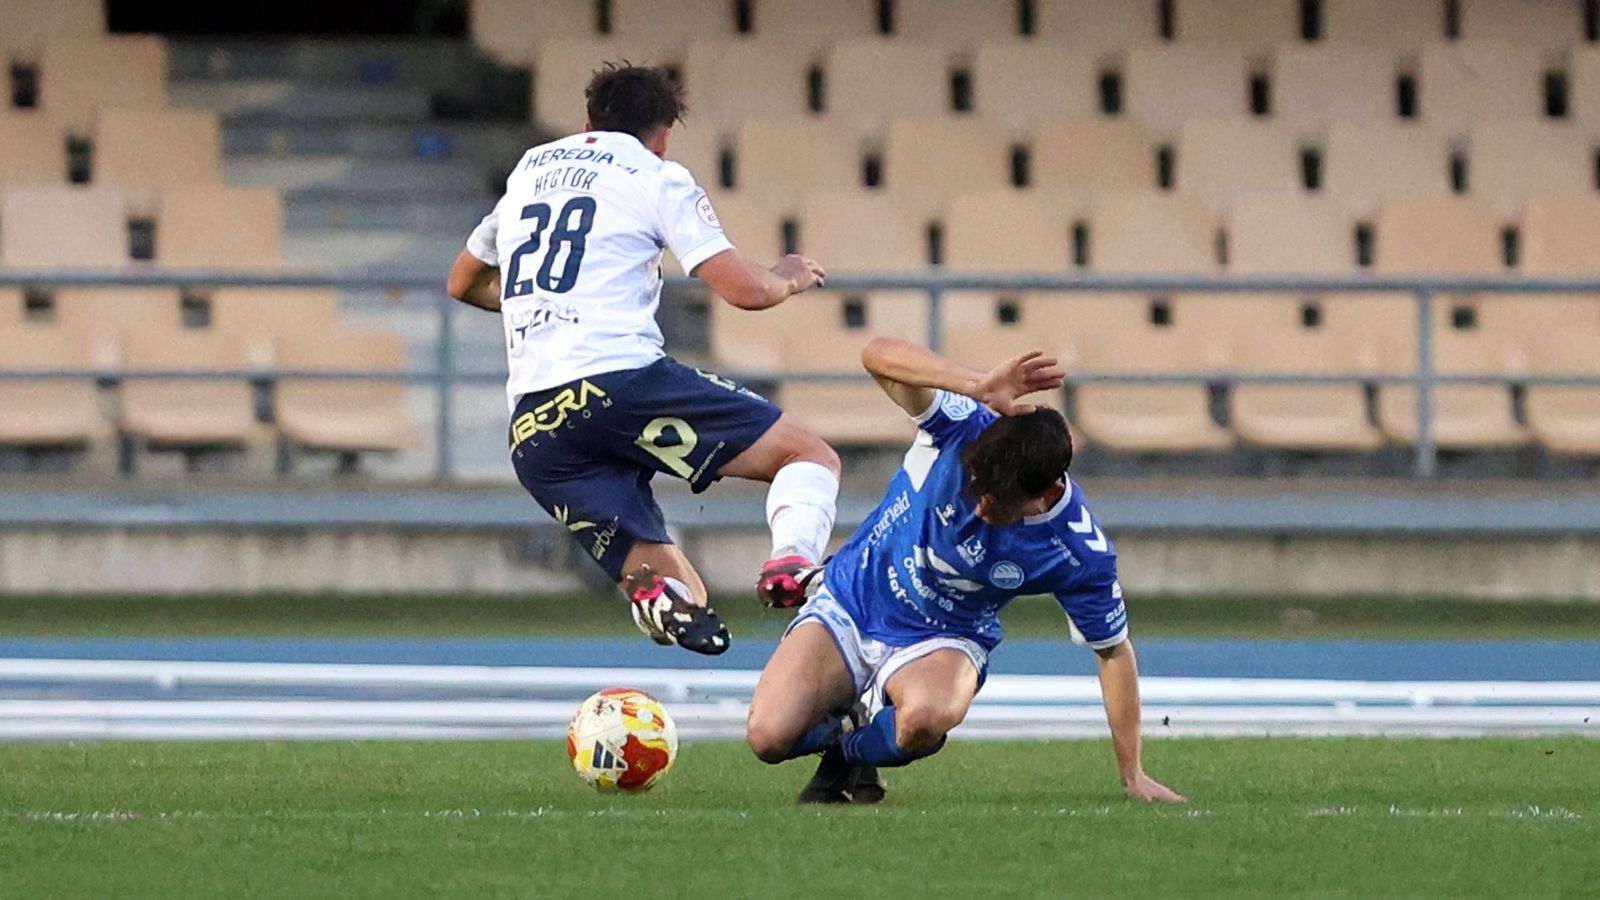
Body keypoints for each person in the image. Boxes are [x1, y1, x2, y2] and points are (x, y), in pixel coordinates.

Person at [446, 63, 840, 655]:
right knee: (809, 455)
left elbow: (462, 281)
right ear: (661, 135)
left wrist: (549, 303)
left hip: (536, 429)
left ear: (588, 123)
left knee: (687, 596)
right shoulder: (656, 175)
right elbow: (745, 291)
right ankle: (792, 561)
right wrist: (784, 277)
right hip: (621, 383)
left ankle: (657, 600)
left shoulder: (531, 170)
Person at [744, 336, 1185, 805]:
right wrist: (974, 384)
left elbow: (1113, 652)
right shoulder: (960, 426)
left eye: (1000, 500)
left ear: (1047, 493)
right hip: (855, 595)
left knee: (923, 721)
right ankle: (858, 724)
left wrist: (1132, 773)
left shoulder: (1077, 550)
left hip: (944, 636)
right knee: (768, 738)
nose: (982, 502)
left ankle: (850, 749)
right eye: (978, 487)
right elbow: (878, 354)